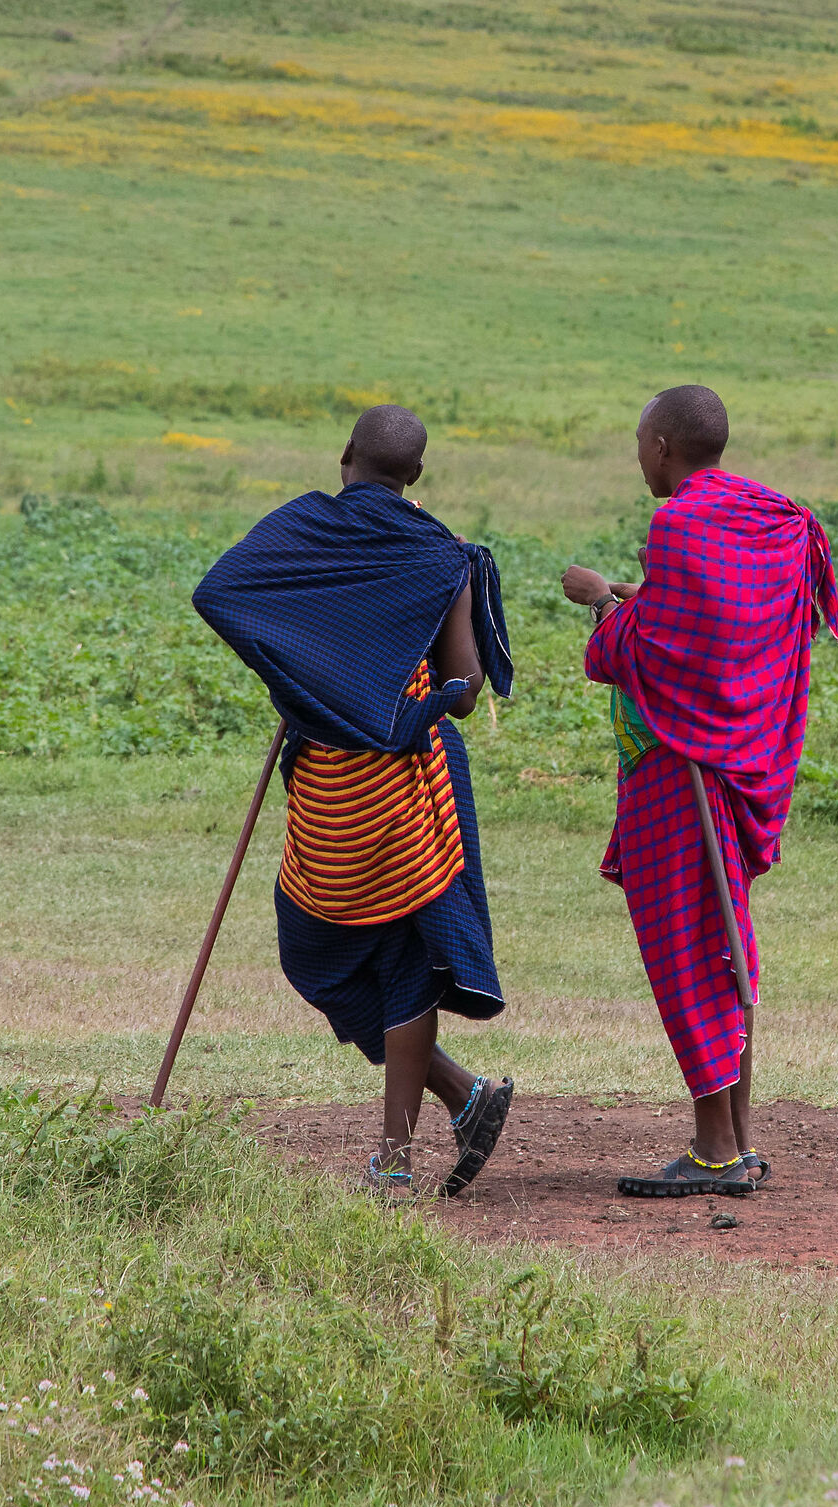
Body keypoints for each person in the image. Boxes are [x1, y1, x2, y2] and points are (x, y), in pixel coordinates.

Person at [192, 404, 515, 1199]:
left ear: (344, 458)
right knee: (399, 962)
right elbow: (466, 690)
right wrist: (406, 696)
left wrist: (296, 672)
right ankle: (461, 1100)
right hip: (407, 784)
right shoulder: (438, 556)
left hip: (333, 787)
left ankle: (398, 1160)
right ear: (417, 479)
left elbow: (219, 591)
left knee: (317, 952)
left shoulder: (307, 529)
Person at [562, 385, 838, 1198]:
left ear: (660, 448)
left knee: (691, 949)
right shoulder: (774, 519)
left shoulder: (678, 524)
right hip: (744, 758)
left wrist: (602, 604)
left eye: (639, 442)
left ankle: (716, 1151)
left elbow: (654, 655)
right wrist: (630, 597)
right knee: (726, 942)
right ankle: (737, 1138)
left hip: (681, 770)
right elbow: (714, 630)